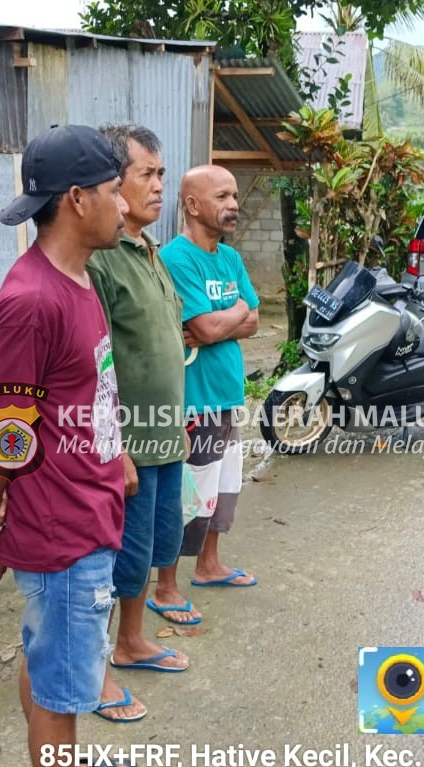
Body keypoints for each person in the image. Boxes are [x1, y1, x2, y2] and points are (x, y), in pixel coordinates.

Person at [0, 125, 158, 767]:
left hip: (90, 500)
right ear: (77, 200)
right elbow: (1, 437)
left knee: (53, 657)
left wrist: (117, 457)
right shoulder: (32, 301)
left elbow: (83, 393)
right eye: (113, 189)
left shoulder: (80, 281)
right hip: (61, 528)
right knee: (62, 681)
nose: (123, 202)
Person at [81, 123, 190, 726]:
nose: (158, 185)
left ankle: (132, 641)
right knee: (112, 558)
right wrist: (115, 445)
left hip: (165, 434)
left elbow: (165, 342)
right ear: (111, 182)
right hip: (126, 444)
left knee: (149, 548)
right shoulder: (101, 262)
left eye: (160, 173)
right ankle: (96, 666)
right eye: (146, 173)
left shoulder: (150, 250)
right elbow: (91, 364)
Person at [156, 165, 260, 612]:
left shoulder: (230, 259)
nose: (233, 205)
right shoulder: (178, 259)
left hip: (227, 395)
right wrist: (231, 314)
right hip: (194, 398)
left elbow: (251, 322)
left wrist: (227, 320)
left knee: (223, 488)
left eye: (234, 196)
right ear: (193, 204)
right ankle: (165, 586)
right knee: (187, 496)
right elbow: (202, 325)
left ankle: (209, 565)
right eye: (222, 197)